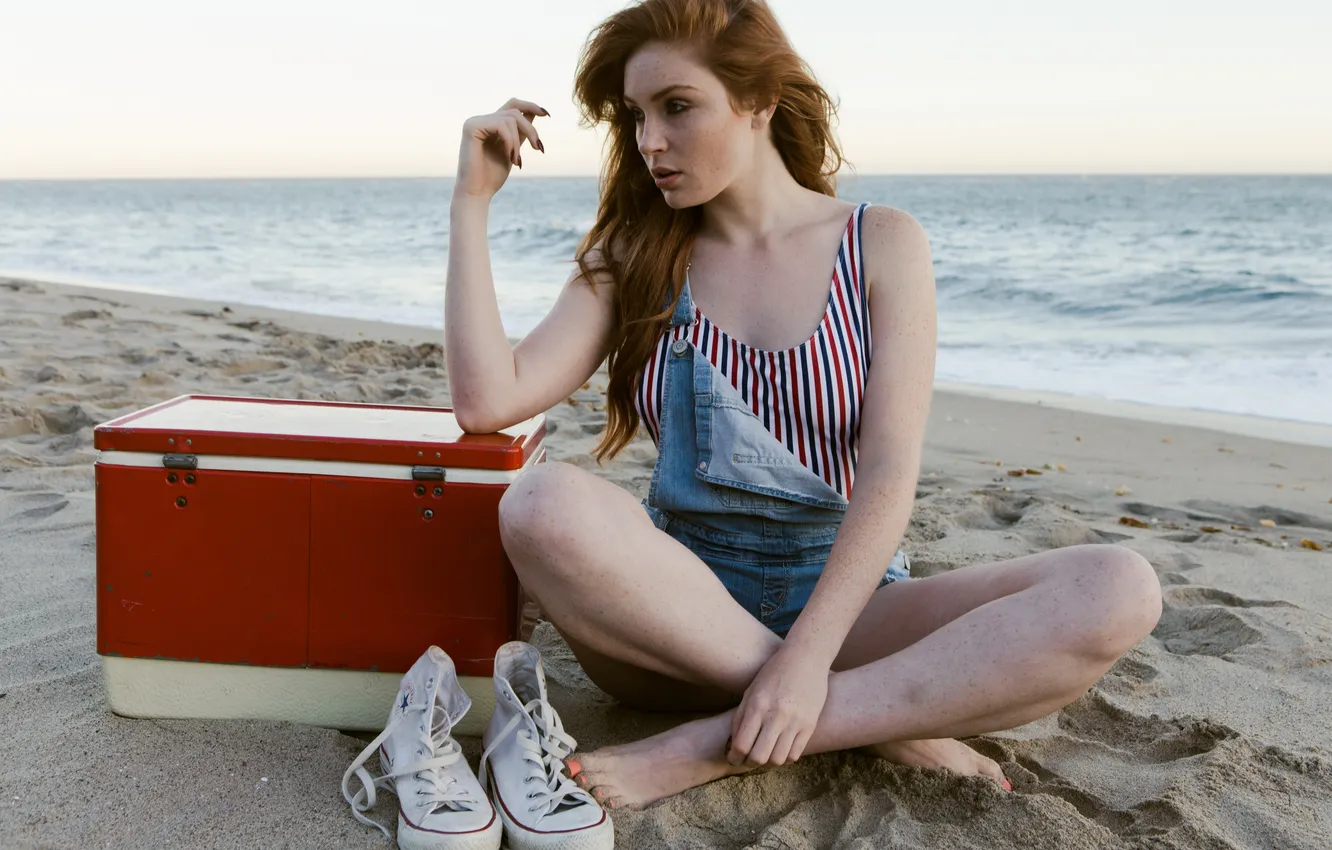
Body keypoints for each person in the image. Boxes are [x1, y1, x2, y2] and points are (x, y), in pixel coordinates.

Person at [445, 0, 1162, 811]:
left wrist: (806, 665)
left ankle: (724, 742)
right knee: (540, 503)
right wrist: (471, 202)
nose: (649, 141)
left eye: (676, 107)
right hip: (669, 620)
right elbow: (486, 401)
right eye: (636, 115)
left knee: (1118, 586)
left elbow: (890, 475)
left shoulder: (881, 244)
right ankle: (877, 716)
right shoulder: (635, 256)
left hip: (848, 611)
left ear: (760, 101)